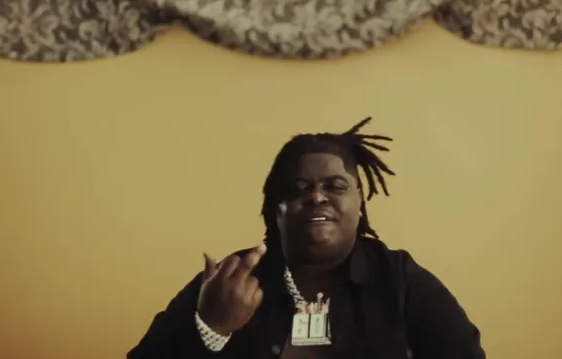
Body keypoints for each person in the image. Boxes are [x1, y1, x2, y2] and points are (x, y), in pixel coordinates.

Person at [127, 118, 485, 358]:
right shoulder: (228, 282)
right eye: (299, 188)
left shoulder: (400, 281)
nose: (317, 197)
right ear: (276, 207)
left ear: (359, 202)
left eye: (335, 186)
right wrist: (211, 329)